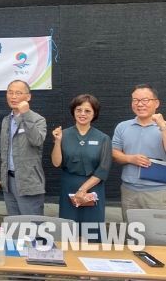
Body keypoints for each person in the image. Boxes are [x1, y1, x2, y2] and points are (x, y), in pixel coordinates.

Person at [51, 94, 111, 235]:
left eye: (87, 111)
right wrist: (57, 142)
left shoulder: (103, 138)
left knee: (92, 232)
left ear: (94, 113)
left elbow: (103, 169)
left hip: (93, 188)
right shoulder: (63, 134)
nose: (82, 114)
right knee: (68, 231)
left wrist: (82, 190)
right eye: (79, 110)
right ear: (73, 111)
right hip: (69, 187)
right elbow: (56, 163)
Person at [112, 84, 166, 222]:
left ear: (156, 103)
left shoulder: (164, 127)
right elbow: (114, 153)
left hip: (159, 192)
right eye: (135, 100)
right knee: (132, 232)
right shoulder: (122, 127)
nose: (140, 104)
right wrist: (130, 159)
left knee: (159, 233)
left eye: (145, 100)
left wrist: (163, 127)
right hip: (129, 191)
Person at [0, 80, 46, 216]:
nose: (13, 97)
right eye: (10, 92)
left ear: (28, 97)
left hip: (28, 181)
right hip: (8, 181)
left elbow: (37, 140)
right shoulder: (6, 120)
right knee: (15, 224)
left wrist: (26, 114)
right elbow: (3, 150)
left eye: (18, 93)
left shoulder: (38, 119)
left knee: (32, 224)